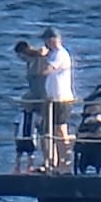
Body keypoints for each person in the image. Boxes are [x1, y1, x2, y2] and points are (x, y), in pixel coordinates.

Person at [40, 26, 75, 172]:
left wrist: (42, 57)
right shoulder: (53, 54)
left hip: (62, 98)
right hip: (53, 99)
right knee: (50, 131)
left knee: (60, 130)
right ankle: (52, 162)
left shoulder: (60, 54)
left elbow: (46, 70)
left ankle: (65, 163)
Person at [13, 40, 47, 172]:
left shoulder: (38, 59)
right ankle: (30, 163)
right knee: (28, 131)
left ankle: (46, 161)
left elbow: (44, 52)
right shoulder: (29, 63)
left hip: (41, 98)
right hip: (34, 98)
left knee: (44, 131)